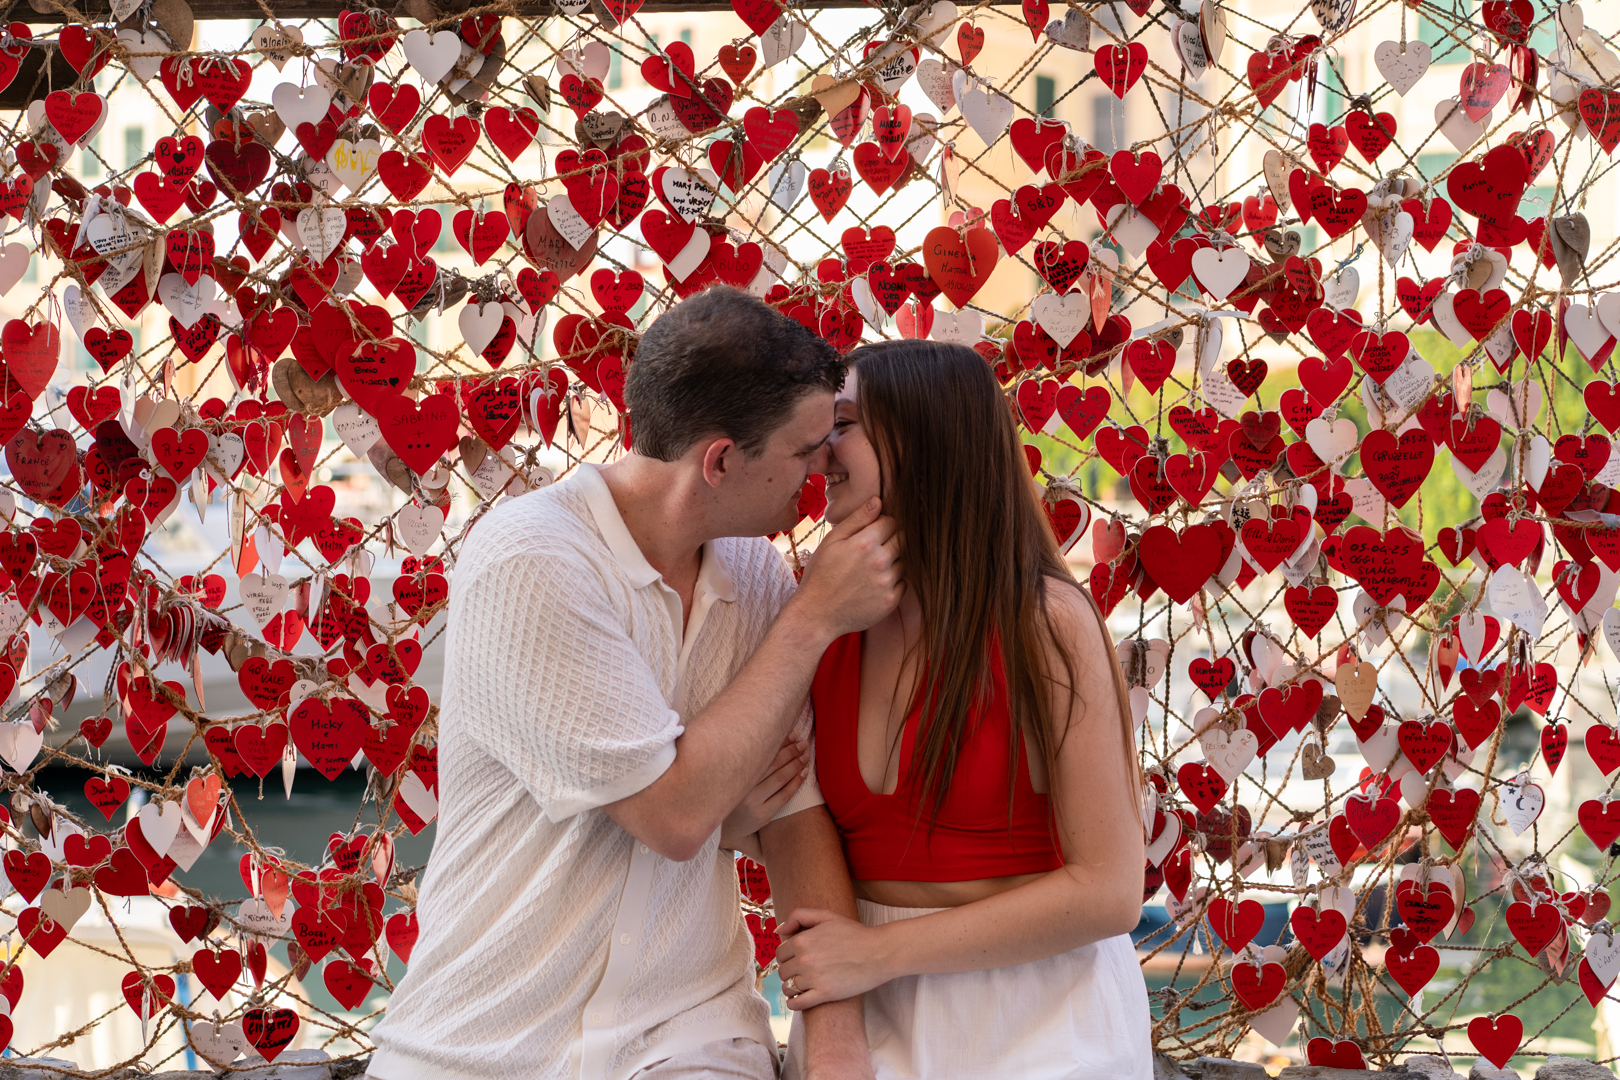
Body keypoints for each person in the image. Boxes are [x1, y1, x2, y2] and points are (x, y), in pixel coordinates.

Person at [367, 286, 897, 1080]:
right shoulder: (534, 561)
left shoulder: (753, 572)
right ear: (719, 460)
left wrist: (837, 1046)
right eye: (804, 448)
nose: (822, 470)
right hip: (483, 1046)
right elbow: (677, 814)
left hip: (691, 1039)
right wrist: (812, 620)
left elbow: (793, 813)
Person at [773, 340, 1153, 1079]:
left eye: (843, 424)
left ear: (919, 439)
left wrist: (878, 953)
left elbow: (1111, 890)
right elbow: (788, 818)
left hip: (1040, 1013)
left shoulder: (1045, 622)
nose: (823, 451)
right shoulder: (825, 620)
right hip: (869, 1009)